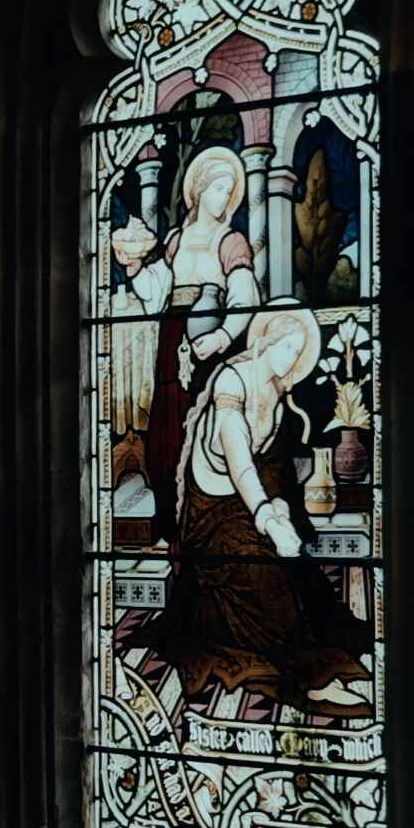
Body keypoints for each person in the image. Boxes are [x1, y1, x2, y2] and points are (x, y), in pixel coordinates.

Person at [128, 308, 375, 721]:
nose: (291, 358)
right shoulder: (232, 382)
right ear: (265, 341)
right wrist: (265, 515)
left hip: (249, 504)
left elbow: (271, 466)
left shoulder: (276, 395)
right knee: (263, 569)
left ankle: (315, 651)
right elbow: (238, 455)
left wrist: (278, 506)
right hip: (209, 513)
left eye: (298, 351)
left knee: (301, 573)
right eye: (286, 347)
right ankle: (310, 676)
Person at [106, 139, 263, 542]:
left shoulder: (231, 241)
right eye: (216, 189)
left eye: (229, 192)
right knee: (167, 433)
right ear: (198, 190)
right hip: (172, 340)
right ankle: (173, 523)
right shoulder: (176, 238)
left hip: (209, 342)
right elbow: (156, 291)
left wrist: (223, 336)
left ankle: (206, 523)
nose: (222, 198)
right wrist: (135, 265)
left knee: (206, 429)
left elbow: (246, 296)